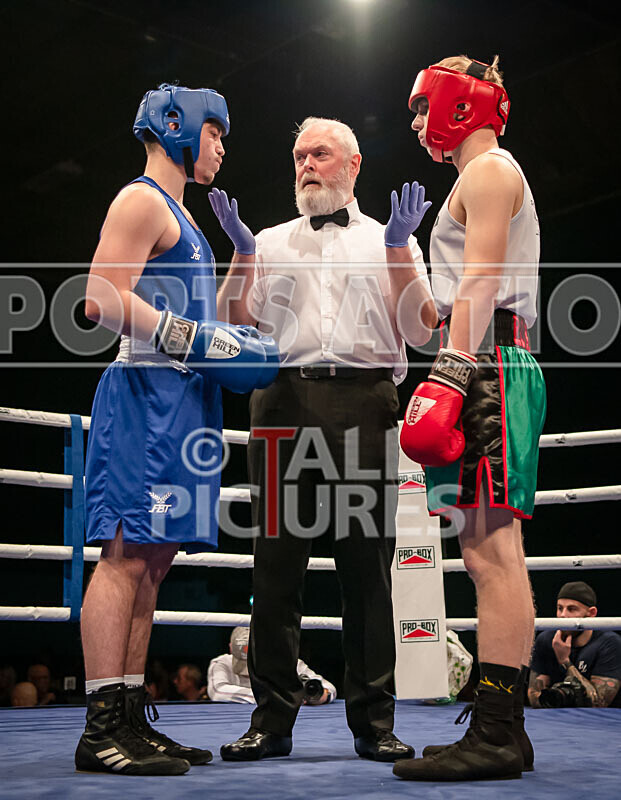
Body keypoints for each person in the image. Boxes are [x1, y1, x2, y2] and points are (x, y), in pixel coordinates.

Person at [213, 116, 437, 762]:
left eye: (318, 154)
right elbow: (234, 322)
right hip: (280, 399)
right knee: (276, 571)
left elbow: (421, 332)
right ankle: (270, 722)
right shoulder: (271, 240)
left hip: (363, 402)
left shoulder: (389, 238)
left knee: (365, 571)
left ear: (353, 165)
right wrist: (241, 254)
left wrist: (399, 249)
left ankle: (373, 725)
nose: (305, 165)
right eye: (297, 156)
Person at [75, 83, 278, 776]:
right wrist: (191, 336)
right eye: (216, 132)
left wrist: (242, 255)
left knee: (154, 563)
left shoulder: (183, 220)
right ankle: (99, 724)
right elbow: (99, 297)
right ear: (177, 125)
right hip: (142, 396)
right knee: (124, 556)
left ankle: (129, 717)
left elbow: (214, 327)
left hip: (183, 400)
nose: (221, 146)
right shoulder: (140, 200)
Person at [395, 56, 546, 782]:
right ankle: (503, 732)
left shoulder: (488, 172)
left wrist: (452, 370)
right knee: (488, 550)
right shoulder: (476, 179)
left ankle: (494, 732)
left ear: (462, 100)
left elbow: (482, 282)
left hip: (488, 362)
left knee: (491, 553)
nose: (418, 122)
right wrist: (399, 250)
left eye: (424, 107)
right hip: (483, 356)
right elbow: (442, 305)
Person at [529, 581, 621, 708]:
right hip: (554, 719)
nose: (563, 615)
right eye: (560, 608)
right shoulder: (545, 639)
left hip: (598, 723)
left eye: (571, 609)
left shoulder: (609, 643)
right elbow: (534, 695)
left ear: (591, 613)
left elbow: (599, 703)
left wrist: (564, 661)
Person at [208, 627, 337, 704]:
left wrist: (320, 697)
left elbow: (327, 687)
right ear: (231, 649)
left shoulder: (288, 663)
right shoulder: (221, 663)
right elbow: (217, 692)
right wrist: (276, 697)